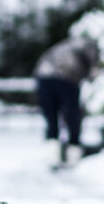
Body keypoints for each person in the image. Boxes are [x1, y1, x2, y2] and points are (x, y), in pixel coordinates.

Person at [33, 36, 99, 168]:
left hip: (43, 76)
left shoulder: (64, 45)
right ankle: (72, 154)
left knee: (51, 118)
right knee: (72, 115)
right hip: (66, 78)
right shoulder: (88, 47)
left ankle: (53, 155)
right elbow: (93, 71)